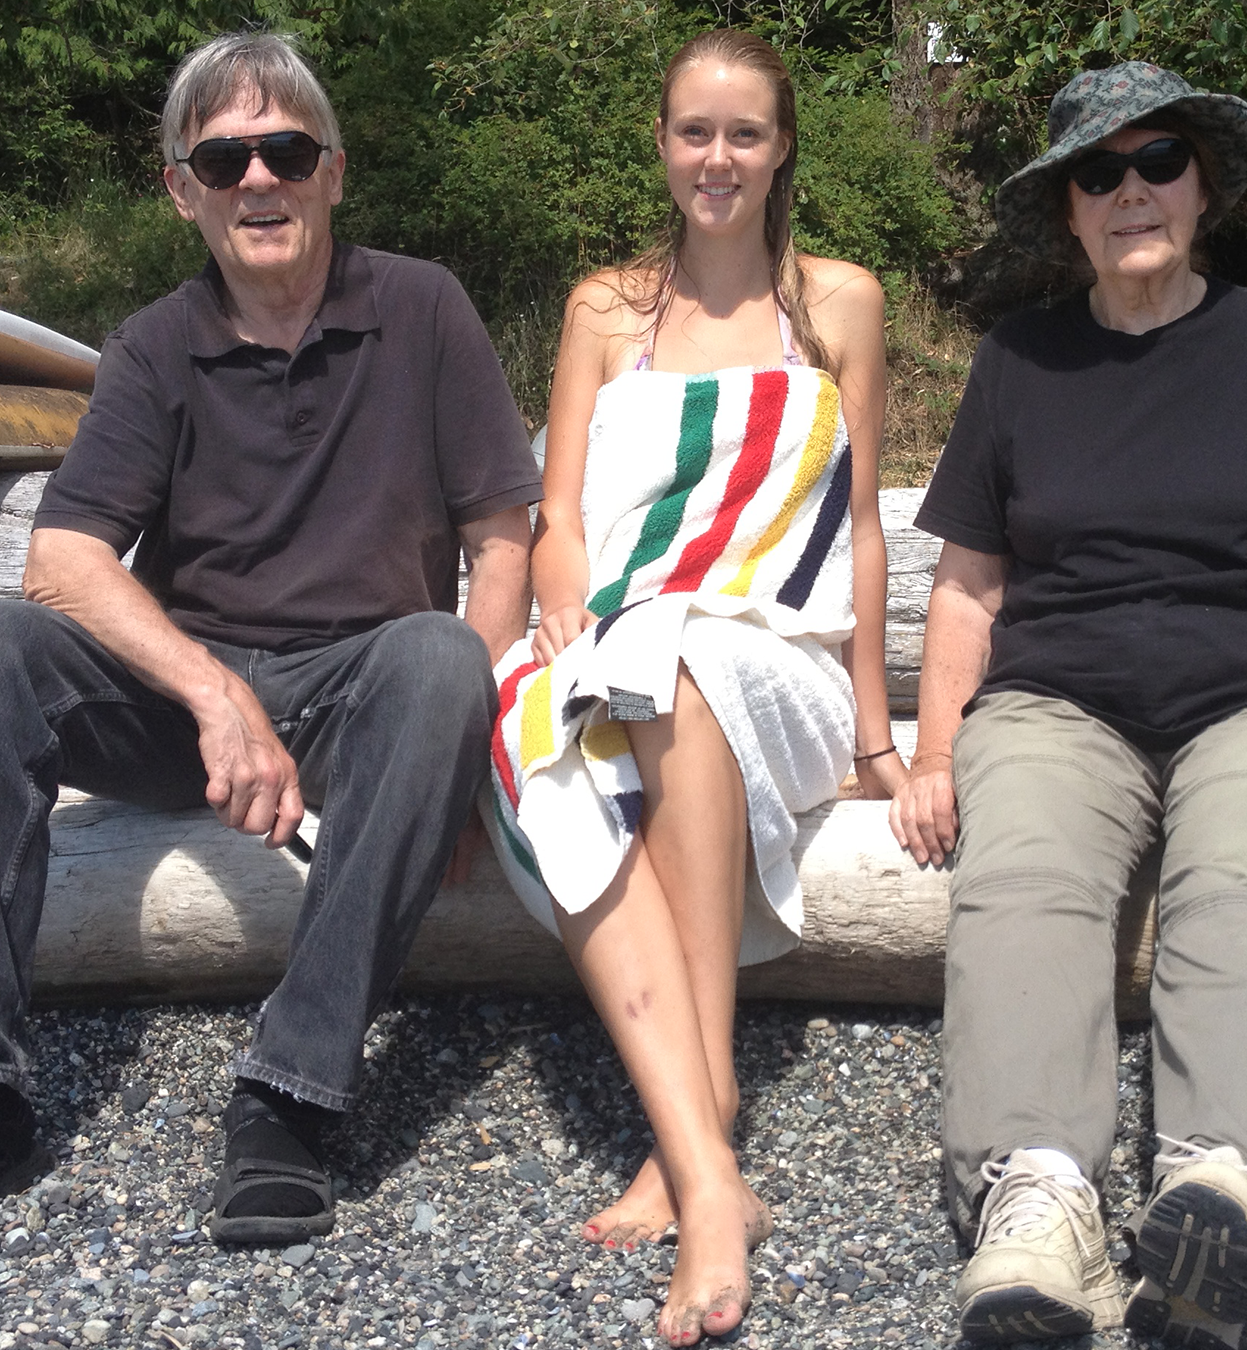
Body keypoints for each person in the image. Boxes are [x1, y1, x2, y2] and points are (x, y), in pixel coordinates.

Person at [0, 30, 540, 1266]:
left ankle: (292, 1097)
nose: (260, 180)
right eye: (226, 157)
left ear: (333, 171)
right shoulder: (155, 343)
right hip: (190, 707)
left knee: (442, 664)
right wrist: (213, 694)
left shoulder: (423, 307)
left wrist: (472, 751)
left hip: (367, 688)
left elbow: (501, 540)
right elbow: (65, 561)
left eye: (287, 151)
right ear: (182, 187)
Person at [887, 62, 1247, 1348]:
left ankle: (1222, 1191)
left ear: (1201, 189)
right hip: (1058, 703)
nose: (1130, 190)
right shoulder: (1019, 359)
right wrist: (932, 751)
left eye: (1157, 163)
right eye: (1099, 172)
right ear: (1068, 212)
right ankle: (1039, 1203)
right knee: (1020, 879)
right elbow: (970, 588)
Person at [482, 28, 904, 1347]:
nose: (716, 158)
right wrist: (558, 592)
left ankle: (699, 1145)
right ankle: (709, 1154)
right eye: (693, 132)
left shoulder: (840, 303)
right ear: (661, 144)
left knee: (689, 659)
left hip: (784, 654)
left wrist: (881, 730)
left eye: (745, 134)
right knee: (552, 708)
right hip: (624, 638)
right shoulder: (605, 309)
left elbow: (868, 524)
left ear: (782, 152)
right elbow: (554, 513)